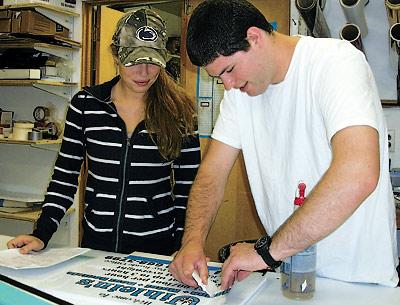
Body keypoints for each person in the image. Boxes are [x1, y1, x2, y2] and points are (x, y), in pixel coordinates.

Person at [169, 0, 399, 289]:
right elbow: (212, 173)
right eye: (219, 79)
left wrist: (265, 253)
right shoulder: (239, 94)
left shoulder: (336, 63)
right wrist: (192, 241)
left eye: (229, 70)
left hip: (357, 279)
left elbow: (358, 173)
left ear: (255, 37)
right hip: (291, 275)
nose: (227, 85)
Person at [7, 8, 200, 256]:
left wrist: (183, 245)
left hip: (157, 251)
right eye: (134, 61)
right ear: (116, 55)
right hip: (96, 247)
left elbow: (190, 188)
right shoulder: (86, 104)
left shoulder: (181, 112)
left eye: (152, 62)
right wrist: (41, 234)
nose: (144, 72)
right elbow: (65, 177)